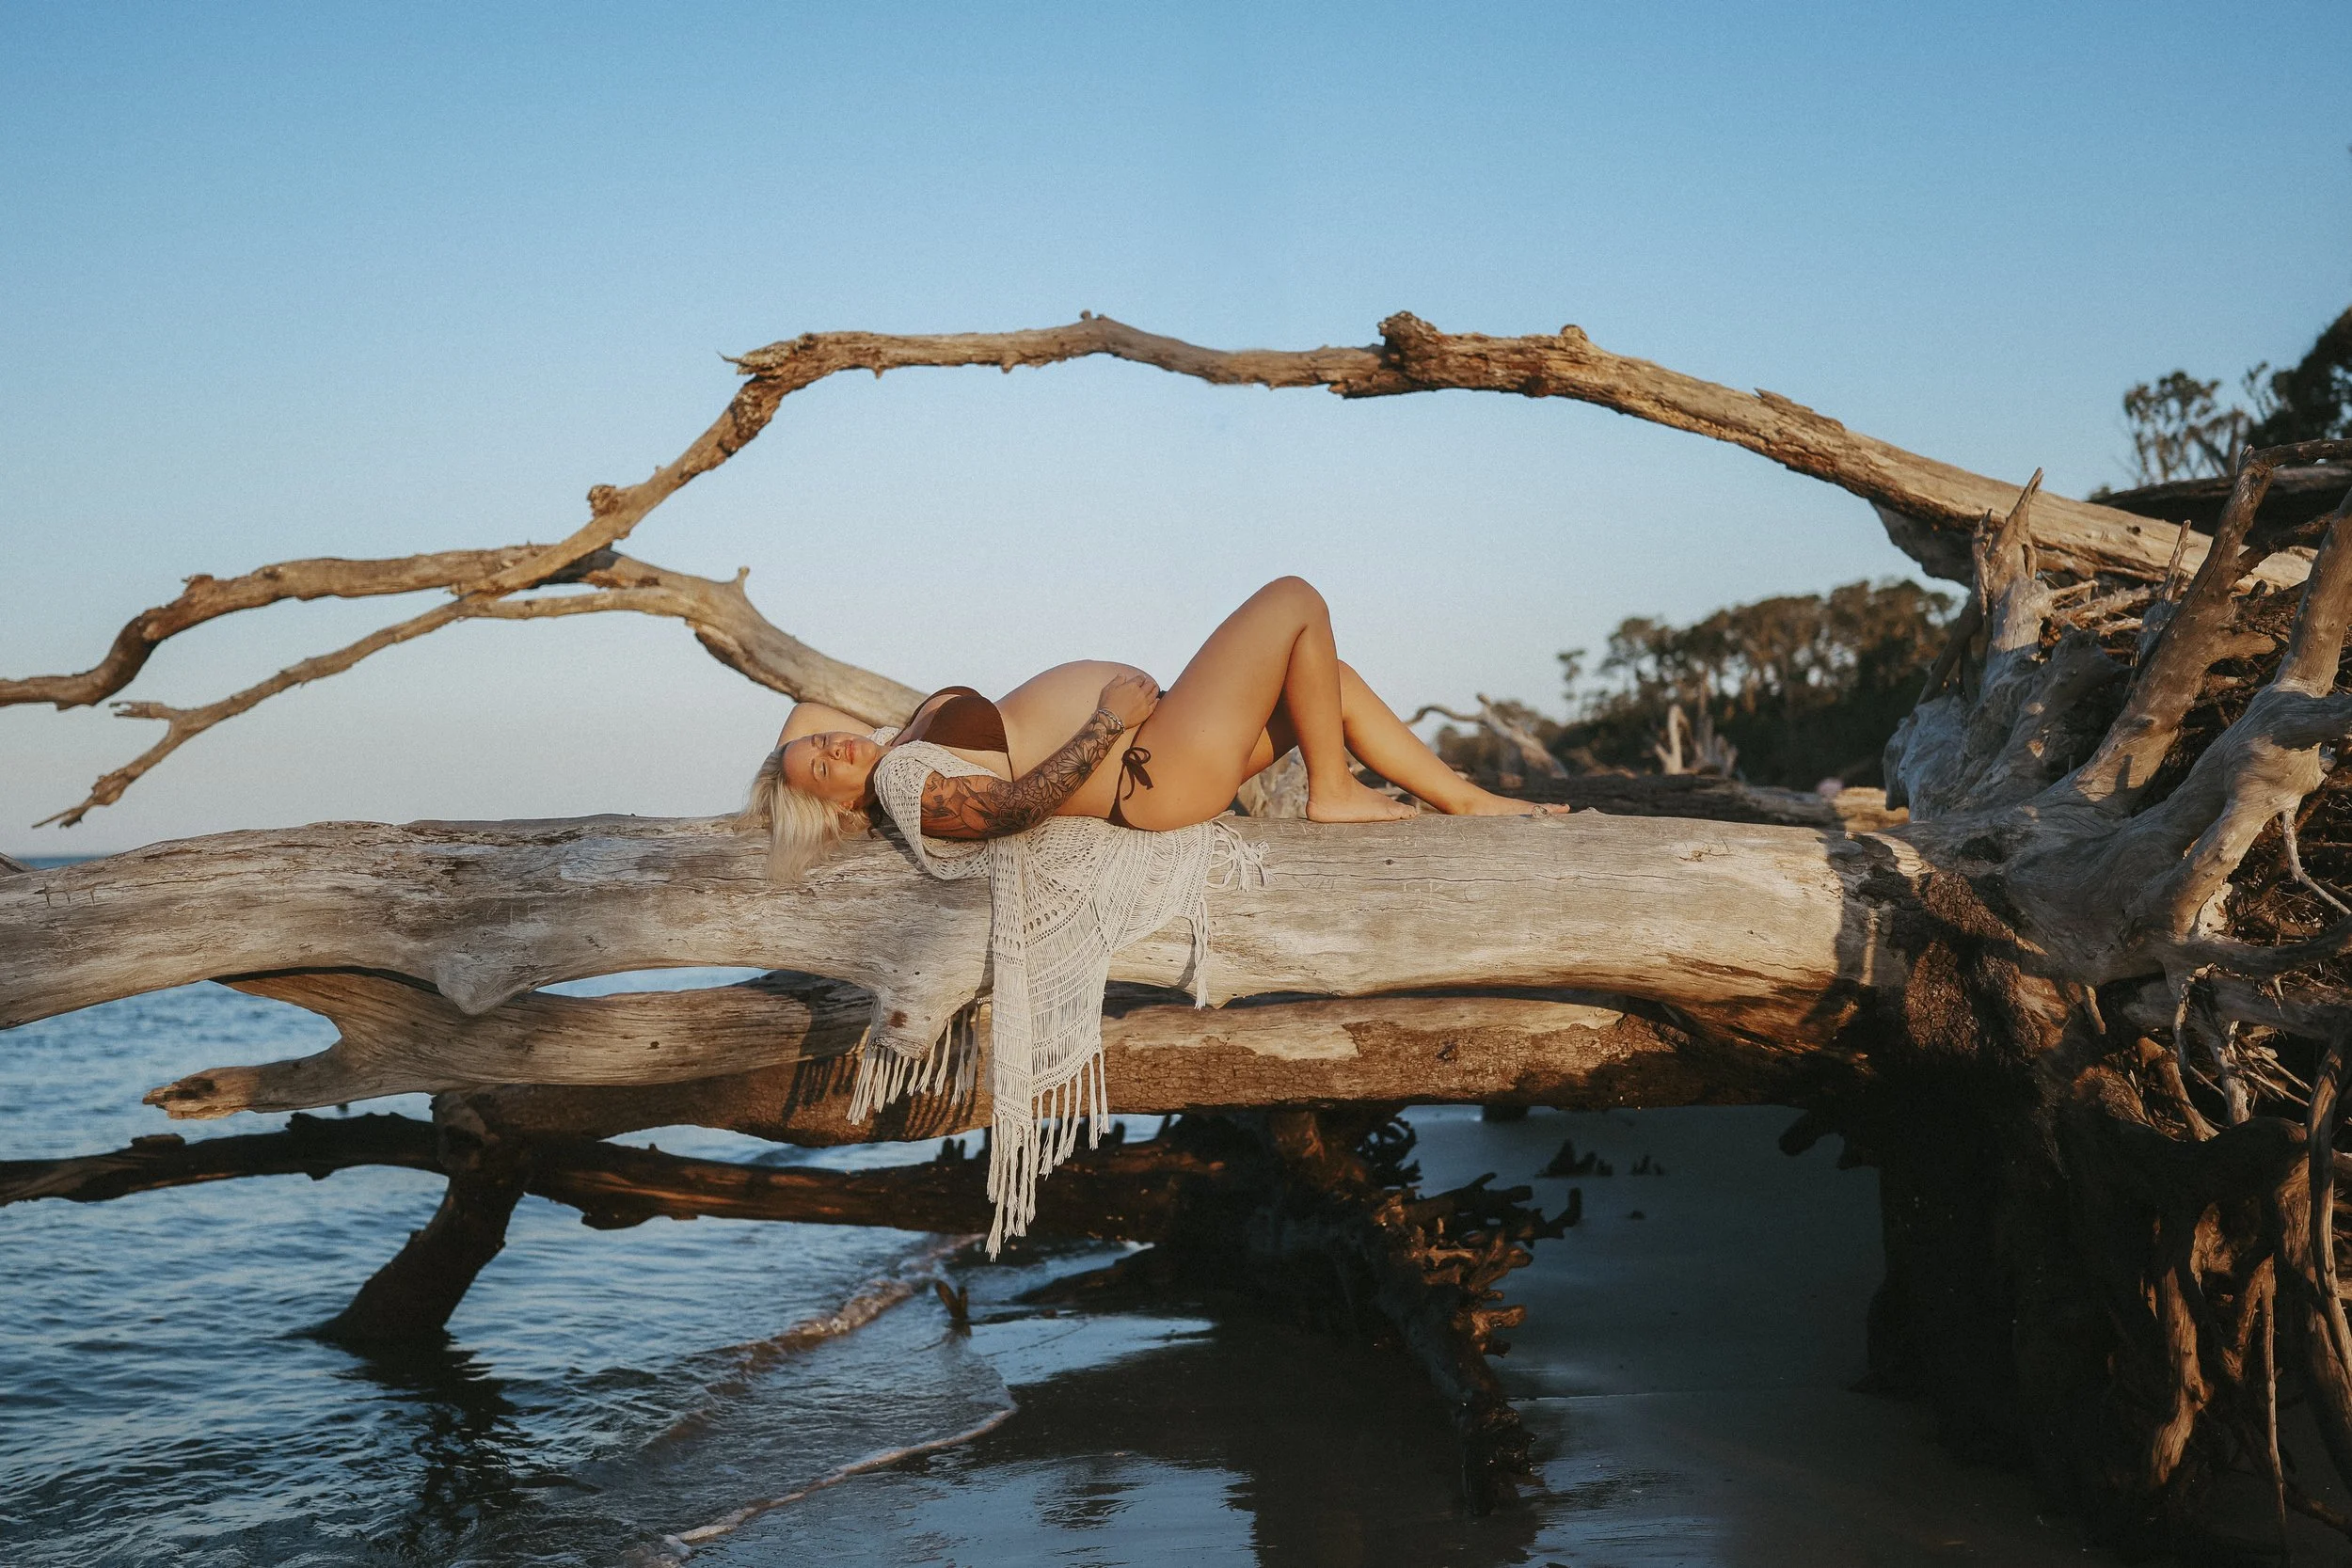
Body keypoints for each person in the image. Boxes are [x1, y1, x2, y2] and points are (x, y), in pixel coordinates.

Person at [744, 576, 1567, 877]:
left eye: (820, 743)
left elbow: (807, 716)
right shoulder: (901, 782)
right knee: (1294, 600)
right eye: (820, 768)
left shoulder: (895, 746)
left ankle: (1466, 803)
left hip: (1158, 743)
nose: (829, 747)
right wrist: (1107, 722)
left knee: (1328, 680)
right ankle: (1334, 790)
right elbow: (1010, 809)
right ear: (843, 803)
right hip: (1148, 764)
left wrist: (792, 757)